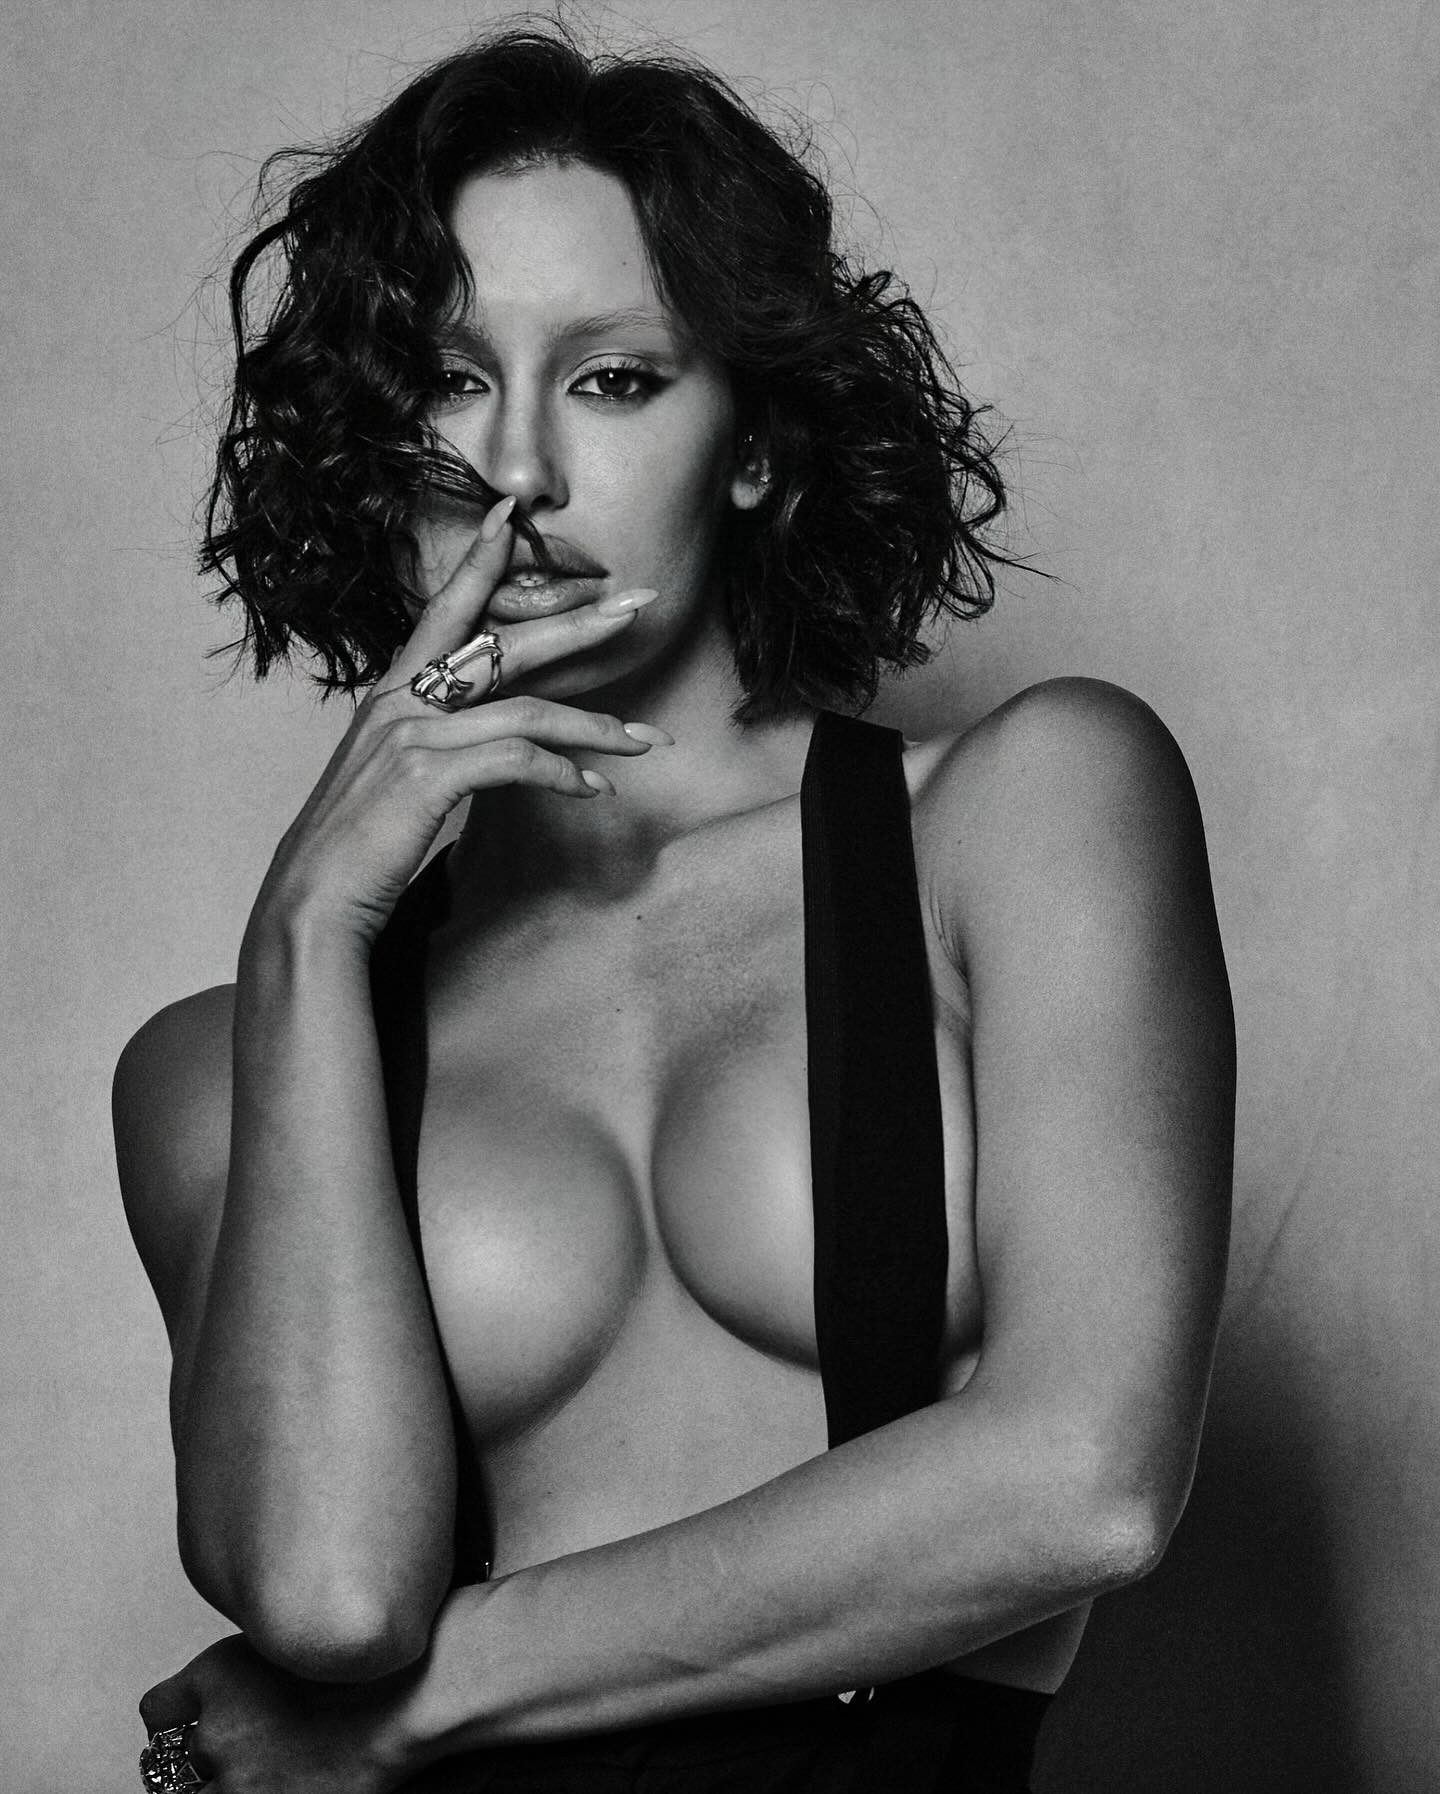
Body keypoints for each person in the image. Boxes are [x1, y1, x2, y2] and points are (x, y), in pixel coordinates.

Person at [113, 23, 1235, 1794]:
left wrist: (410, 1712)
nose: (519, 471)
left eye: (616, 378)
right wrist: (307, 926)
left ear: (757, 446)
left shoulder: (1024, 813)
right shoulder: (217, 1067)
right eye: (450, 379)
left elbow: (1083, 1480)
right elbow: (328, 1597)